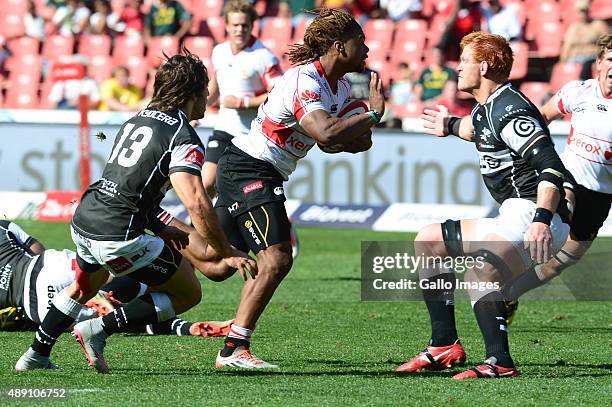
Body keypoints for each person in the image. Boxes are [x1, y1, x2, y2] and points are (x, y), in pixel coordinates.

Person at [16, 51, 256, 373]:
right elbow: (196, 201)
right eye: (205, 89)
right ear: (192, 93)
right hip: (118, 234)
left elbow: (129, 186)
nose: (208, 97)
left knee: (84, 286)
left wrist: (162, 225)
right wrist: (225, 250)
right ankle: (97, 330)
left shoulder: (138, 118)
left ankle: (35, 355)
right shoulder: (183, 137)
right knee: (188, 291)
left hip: (86, 218)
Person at [213, 8, 384, 369]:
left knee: (216, 265)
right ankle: (233, 349)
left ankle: (124, 291)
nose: (367, 49)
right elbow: (327, 134)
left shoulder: (338, 88)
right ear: (339, 47)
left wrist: (355, 123)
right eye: (361, 42)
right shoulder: (304, 80)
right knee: (277, 258)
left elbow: (357, 143)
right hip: (250, 167)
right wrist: (371, 115)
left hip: (255, 170)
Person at [397, 32, 571, 379]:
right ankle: (443, 344)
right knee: (429, 240)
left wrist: (541, 218)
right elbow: (473, 128)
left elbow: (552, 167)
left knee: (481, 269)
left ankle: (500, 362)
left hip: (536, 213)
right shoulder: (487, 107)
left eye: (463, 62)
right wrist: (446, 125)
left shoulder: (511, 110)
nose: (457, 68)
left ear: (485, 66)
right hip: (514, 211)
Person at [502, 34, 612, 306]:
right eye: (611, 60)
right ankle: (496, 274)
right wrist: (536, 157)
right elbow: (541, 119)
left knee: (558, 264)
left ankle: (508, 297)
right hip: (568, 176)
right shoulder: (579, 91)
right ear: (599, 63)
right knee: (555, 225)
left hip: (601, 196)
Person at [0, 218, 233, 337]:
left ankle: (181, 327)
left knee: (110, 320)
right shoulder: (2, 225)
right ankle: (186, 266)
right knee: (124, 279)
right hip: (49, 269)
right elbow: (36, 248)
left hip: (37, 310)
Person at [203, 0, 283, 199]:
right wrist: (197, 108)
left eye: (244, 25)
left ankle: (283, 228)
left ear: (252, 26)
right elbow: (216, 84)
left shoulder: (264, 56)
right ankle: (208, 230)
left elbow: (279, 94)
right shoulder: (219, 51)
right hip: (224, 129)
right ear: (227, 26)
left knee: (254, 195)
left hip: (253, 136)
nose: (240, 29)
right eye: (235, 25)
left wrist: (242, 103)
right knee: (206, 184)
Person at [559, 1, 608, 81]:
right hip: (575, 60)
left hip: (592, 58)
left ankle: (583, 85)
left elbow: (607, 45)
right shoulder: (573, 28)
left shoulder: (598, 25)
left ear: (589, 11)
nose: (582, 14)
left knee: (587, 63)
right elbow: (566, 48)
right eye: (580, 12)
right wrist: (562, 65)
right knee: (568, 68)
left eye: (585, 11)